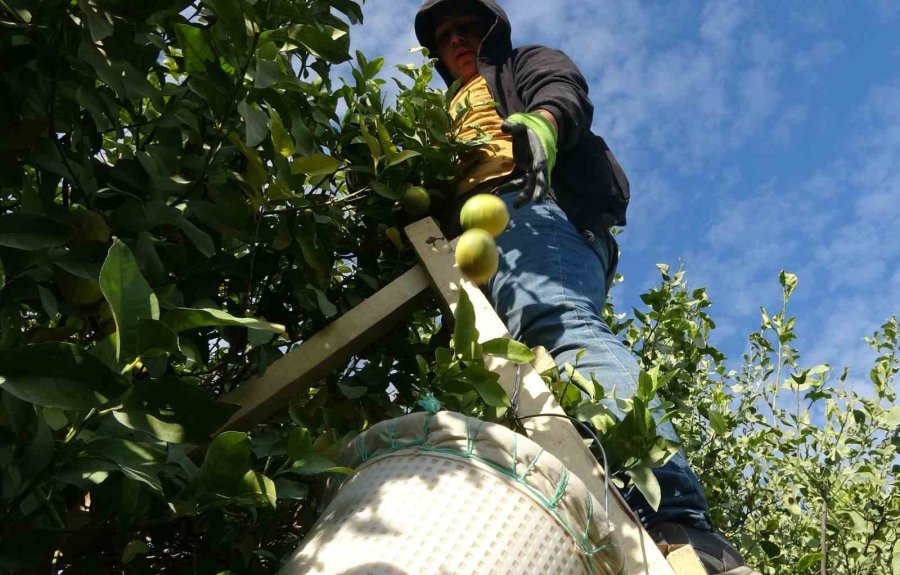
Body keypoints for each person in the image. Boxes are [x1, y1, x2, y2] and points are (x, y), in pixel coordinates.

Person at [414, 1, 760, 574]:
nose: (458, 38)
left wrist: (543, 124)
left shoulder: (520, 63)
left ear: (491, 32)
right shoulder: (439, 112)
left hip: (528, 204)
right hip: (472, 248)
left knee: (559, 326)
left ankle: (682, 523)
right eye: (446, 34)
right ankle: (614, 518)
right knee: (521, 375)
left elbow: (561, 89)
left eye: (468, 27)